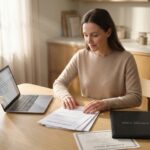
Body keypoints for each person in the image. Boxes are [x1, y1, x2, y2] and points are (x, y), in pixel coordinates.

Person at [53, 8, 142, 113]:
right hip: (88, 114)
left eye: (95, 35)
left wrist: (106, 103)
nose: (89, 41)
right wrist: (65, 96)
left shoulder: (126, 59)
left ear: (108, 32)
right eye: (85, 35)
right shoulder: (80, 56)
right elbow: (58, 83)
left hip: (113, 115)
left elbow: (136, 98)